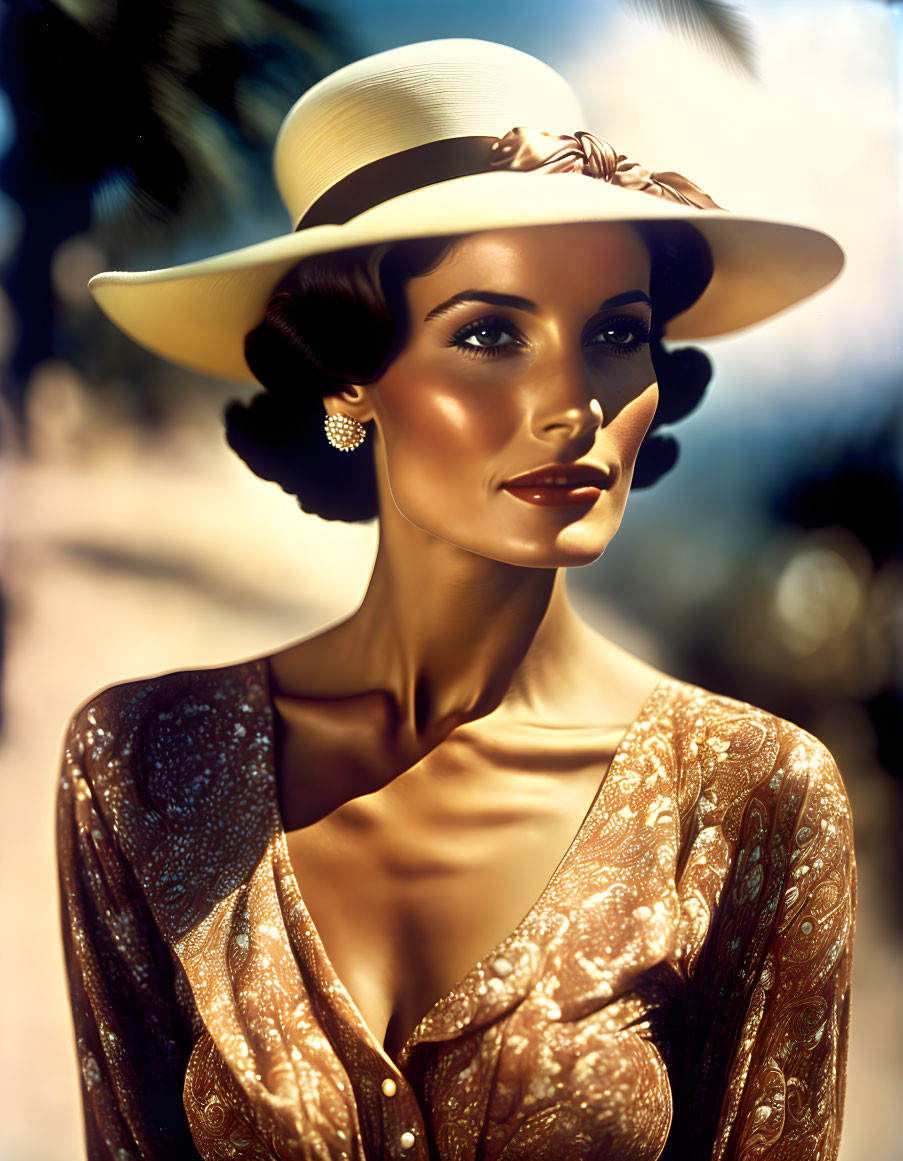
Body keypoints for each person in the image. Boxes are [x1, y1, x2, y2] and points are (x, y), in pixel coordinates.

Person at [57, 38, 856, 1161]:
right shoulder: (142, 763)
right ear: (352, 379)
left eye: (617, 334)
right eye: (489, 333)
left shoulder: (754, 796)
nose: (572, 403)